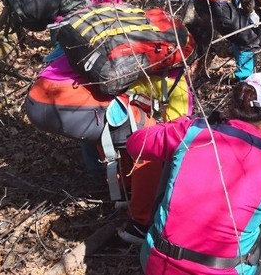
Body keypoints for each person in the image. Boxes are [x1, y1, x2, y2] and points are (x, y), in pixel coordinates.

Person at [126, 73, 261, 274]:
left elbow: (136, 145)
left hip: (156, 263)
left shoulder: (193, 132)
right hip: (219, 270)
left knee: (173, 159)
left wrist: (185, 123)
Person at [24, 54, 194, 243]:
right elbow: (176, 133)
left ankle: (124, 194)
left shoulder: (120, 42)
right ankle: (140, 225)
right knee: (149, 141)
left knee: (117, 126)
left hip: (38, 96)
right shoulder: (173, 74)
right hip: (70, 104)